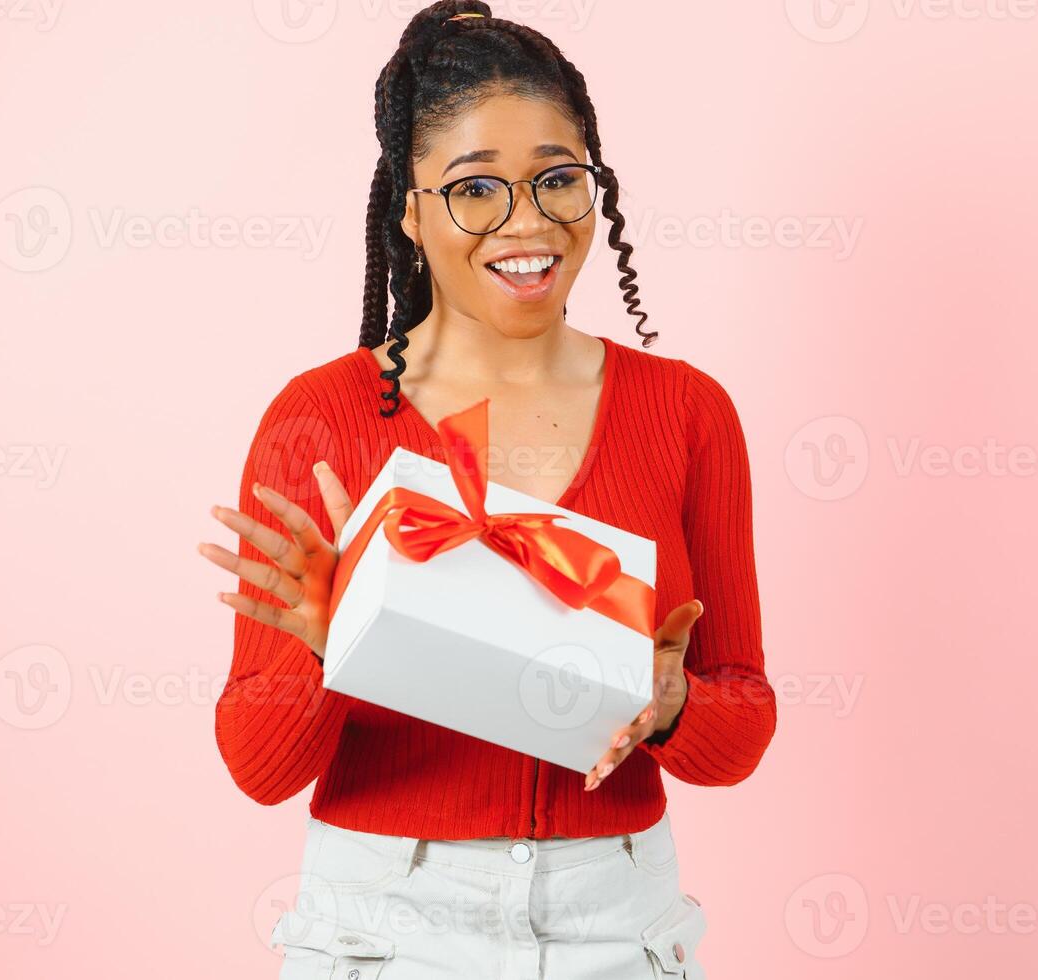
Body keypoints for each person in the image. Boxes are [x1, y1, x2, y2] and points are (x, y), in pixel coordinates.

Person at [196, 3, 776, 976]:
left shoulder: (687, 411)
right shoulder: (322, 420)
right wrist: (318, 648)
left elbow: (742, 718)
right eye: (475, 190)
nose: (529, 222)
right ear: (409, 212)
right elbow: (260, 768)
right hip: (383, 926)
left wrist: (674, 703)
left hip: (619, 919)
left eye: (559, 177)